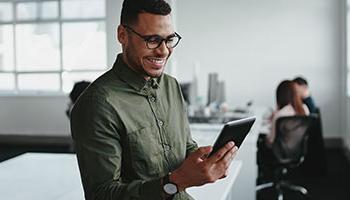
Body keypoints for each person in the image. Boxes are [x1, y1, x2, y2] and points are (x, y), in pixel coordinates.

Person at [70, 1, 238, 200]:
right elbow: (102, 195)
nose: (164, 51)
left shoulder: (171, 86)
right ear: (122, 35)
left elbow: (184, 147)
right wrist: (176, 182)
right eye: (152, 40)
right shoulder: (97, 104)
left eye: (169, 40)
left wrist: (208, 161)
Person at [265, 80, 310, 146]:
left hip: (280, 153)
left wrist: (266, 137)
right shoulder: (305, 109)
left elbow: (271, 141)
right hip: (299, 149)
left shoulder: (279, 115)